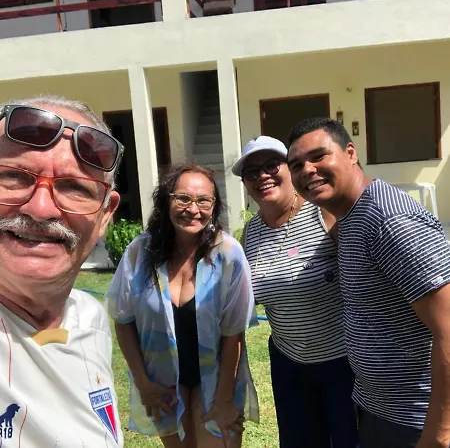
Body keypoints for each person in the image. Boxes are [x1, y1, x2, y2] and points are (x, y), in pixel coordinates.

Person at [287, 117, 450, 448]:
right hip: (380, 410)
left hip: (415, 420)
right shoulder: (350, 215)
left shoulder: (389, 221)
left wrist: (440, 431)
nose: (307, 170)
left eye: (319, 156)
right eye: (296, 165)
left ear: (350, 153)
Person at [106, 163, 259, 448]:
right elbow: (123, 320)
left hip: (217, 378)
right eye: (183, 198)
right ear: (166, 201)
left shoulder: (229, 254)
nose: (193, 209)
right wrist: (143, 384)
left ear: (214, 206)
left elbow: (234, 334)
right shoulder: (140, 253)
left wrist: (225, 400)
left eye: (204, 200)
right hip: (161, 381)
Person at [0, 96, 124, 446]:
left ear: (104, 216)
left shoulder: (90, 317)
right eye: (14, 177)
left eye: (74, 188)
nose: (41, 209)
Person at [231, 136, 358, 448]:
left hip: (343, 361)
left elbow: (361, 280)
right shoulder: (251, 233)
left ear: (289, 168)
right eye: (251, 172)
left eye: (271, 165)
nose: (262, 175)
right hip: (289, 363)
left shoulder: (322, 213)